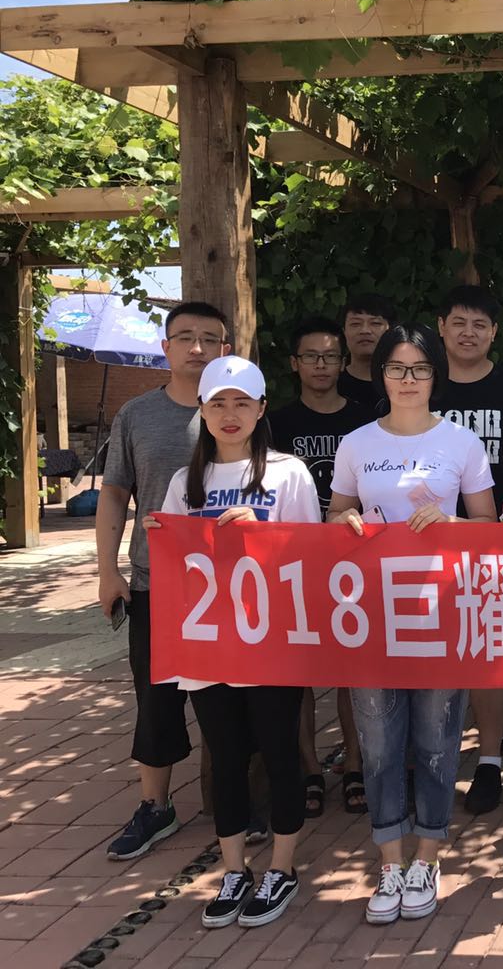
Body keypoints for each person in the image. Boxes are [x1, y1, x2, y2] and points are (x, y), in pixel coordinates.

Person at [328, 323, 499, 925]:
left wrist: (453, 526)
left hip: (440, 614)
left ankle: (428, 856)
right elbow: (336, 514)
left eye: (420, 369)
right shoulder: (356, 444)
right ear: (381, 375)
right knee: (378, 746)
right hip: (370, 618)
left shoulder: (461, 443)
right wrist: (343, 522)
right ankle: (390, 861)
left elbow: (489, 527)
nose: (408, 379)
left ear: (435, 376)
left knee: (436, 741)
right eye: (397, 368)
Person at [144, 356, 320, 929]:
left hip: (272, 645)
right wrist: (160, 535)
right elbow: (176, 565)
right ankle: (234, 869)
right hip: (208, 648)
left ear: (261, 409)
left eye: (242, 403)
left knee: (279, 752)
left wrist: (263, 534)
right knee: (225, 758)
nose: (229, 414)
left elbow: (312, 554)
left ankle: (283, 868)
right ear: (201, 410)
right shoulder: (184, 482)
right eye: (217, 403)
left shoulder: (289, 473)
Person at [96, 301, 231, 861]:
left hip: (229, 585)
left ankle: (239, 804)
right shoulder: (136, 415)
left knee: (229, 697)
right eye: (185, 338)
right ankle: (155, 806)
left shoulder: (236, 408)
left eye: (209, 339)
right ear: (166, 347)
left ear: (225, 349)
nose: (197, 348)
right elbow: (114, 494)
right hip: (156, 582)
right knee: (155, 698)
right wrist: (107, 570)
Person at [433, 286, 503, 815]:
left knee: (488, 656)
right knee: (435, 655)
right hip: (426, 546)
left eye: (480, 324)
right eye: (459, 322)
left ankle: (490, 762)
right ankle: (430, 762)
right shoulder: (422, 382)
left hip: (497, 543)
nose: (469, 333)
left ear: (495, 333)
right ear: (441, 327)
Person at [268, 316, 372, 819]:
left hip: (355, 559)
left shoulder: (366, 421)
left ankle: (355, 763)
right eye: (311, 356)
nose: (321, 365)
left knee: (353, 667)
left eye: (330, 357)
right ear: (295, 363)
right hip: (293, 560)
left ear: (343, 362)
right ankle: (309, 768)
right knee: (300, 671)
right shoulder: (275, 424)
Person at [336, 293, 396, 406]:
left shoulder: (404, 383)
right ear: (344, 332)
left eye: (375, 323)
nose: (365, 330)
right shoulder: (332, 385)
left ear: (391, 331)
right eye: (355, 324)